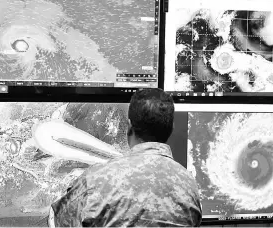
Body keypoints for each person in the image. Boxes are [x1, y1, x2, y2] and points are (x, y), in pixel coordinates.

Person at [49, 88, 202, 227]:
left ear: (129, 127)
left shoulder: (95, 179)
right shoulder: (190, 185)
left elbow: (60, 223)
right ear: (170, 128)